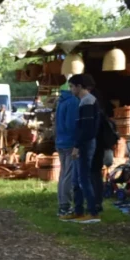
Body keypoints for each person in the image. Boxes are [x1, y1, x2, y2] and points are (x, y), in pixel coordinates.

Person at [64, 73, 101, 223]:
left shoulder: (88, 102)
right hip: (81, 143)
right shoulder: (84, 101)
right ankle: (78, 211)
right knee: (75, 180)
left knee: (83, 179)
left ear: (79, 87)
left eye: (72, 86)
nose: (71, 90)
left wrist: (77, 146)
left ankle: (92, 212)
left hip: (85, 144)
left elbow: (86, 129)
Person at [53, 84, 79, 218]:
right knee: (68, 175)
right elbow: (72, 124)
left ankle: (62, 204)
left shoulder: (61, 101)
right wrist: (77, 142)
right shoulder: (73, 102)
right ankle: (65, 206)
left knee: (63, 174)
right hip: (69, 142)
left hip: (60, 141)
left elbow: (56, 124)